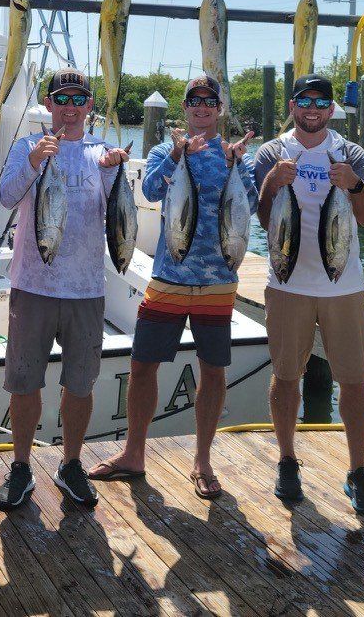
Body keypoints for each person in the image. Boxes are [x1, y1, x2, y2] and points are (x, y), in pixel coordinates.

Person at [88, 75, 257, 499]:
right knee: (143, 365)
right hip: (168, 279)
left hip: (218, 283)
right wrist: (178, 154)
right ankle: (134, 453)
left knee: (213, 370)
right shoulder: (166, 151)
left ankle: (202, 460)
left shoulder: (233, 154)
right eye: (194, 100)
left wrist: (238, 165)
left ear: (219, 109)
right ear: (185, 107)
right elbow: (148, 190)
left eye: (209, 101)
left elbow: (250, 206)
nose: (201, 107)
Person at [0, 69, 129, 510]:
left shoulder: (102, 153)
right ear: (48, 104)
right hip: (33, 286)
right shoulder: (25, 147)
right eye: (61, 99)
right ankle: (21, 466)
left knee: (80, 384)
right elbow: (6, 198)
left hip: (86, 290)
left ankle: (71, 464)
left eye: (78, 99)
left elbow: (117, 211)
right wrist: (34, 162)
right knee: (24, 382)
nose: (69, 108)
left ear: (89, 105)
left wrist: (113, 170)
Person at [254, 75, 364, 515]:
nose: (312, 109)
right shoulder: (271, 153)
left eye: (320, 102)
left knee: (355, 381)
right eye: (304, 101)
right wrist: (272, 183)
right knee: (285, 375)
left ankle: (358, 470)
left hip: (343, 286)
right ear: (293, 106)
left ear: (331, 109)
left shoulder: (353, 154)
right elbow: (264, 219)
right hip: (287, 284)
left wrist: (354, 185)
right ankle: (287, 460)